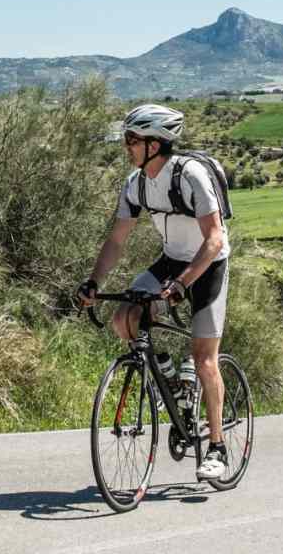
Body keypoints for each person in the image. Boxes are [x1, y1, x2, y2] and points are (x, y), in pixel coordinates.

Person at [77, 104, 231, 481]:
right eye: (126, 138)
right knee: (124, 318)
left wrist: (182, 285)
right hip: (171, 259)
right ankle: (169, 378)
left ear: (156, 143)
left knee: (204, 356)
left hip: (207, 264)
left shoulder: (190, 175)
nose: (126, 145)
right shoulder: (136, 183)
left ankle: (216, 447)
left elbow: (214, 239)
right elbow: (117, 240)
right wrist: (94, 282)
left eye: (133, 139)